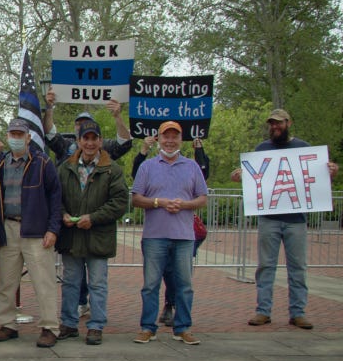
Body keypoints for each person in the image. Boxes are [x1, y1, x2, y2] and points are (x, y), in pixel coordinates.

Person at [230, 108, 339, 329]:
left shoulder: (303, 148)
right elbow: (255, 179)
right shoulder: (262, 149)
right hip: (268, 218)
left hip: (296, 219)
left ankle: (297, 312)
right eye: (272, 123)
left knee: (297, 267)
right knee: (265, 266)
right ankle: (263, 311)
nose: (275, 127)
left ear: (289, 123)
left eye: (279, 123)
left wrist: (330, 172)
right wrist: (240, 176)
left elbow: (317, 178)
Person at [131, 121, 208, 345]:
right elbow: (136, 198)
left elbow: (202, 198)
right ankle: (147, 327)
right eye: (166, 136)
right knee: (150, 285)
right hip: (154, 236)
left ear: (181, 139)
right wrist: (158, 202)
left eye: (175, 137)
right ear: (159, 138)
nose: (170, 141)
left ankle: (182, 327)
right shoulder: (147, 167)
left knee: (184, 285)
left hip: (184, 236)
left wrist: (184, 205)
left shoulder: (192, 166)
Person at [0, 118, 63, 348]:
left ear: (28, 137)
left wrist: (53, 229)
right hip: (7, 229)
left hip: (36, 230)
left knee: (44, 282)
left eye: (20, 134)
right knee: (7, 283)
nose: (16, 138)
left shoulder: (43, 163)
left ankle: (50, 327)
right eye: (12, 133)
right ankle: (8, 324)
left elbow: (56, 198)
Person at [55, 120, 129, 346]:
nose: (89, 143)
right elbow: (53, 198)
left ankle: (96, 326)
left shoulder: (112, 169)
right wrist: (63, 214)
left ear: (100, 141)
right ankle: (68, 323)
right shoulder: (65, 168)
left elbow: (120, 202)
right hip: (71, 236)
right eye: (85, 139)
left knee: (97, 283)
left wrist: (93, 218)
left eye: (93, 138)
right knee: (70, 282)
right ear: (78, 141)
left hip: (98, 237)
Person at [42, 89, 133, 161]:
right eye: (79, 124)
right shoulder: (66, 146)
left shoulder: (105, 147)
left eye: (86, 123)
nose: (82, 127)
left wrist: (117, 116)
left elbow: (124, 143)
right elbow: (50, 134)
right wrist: (49, 108)